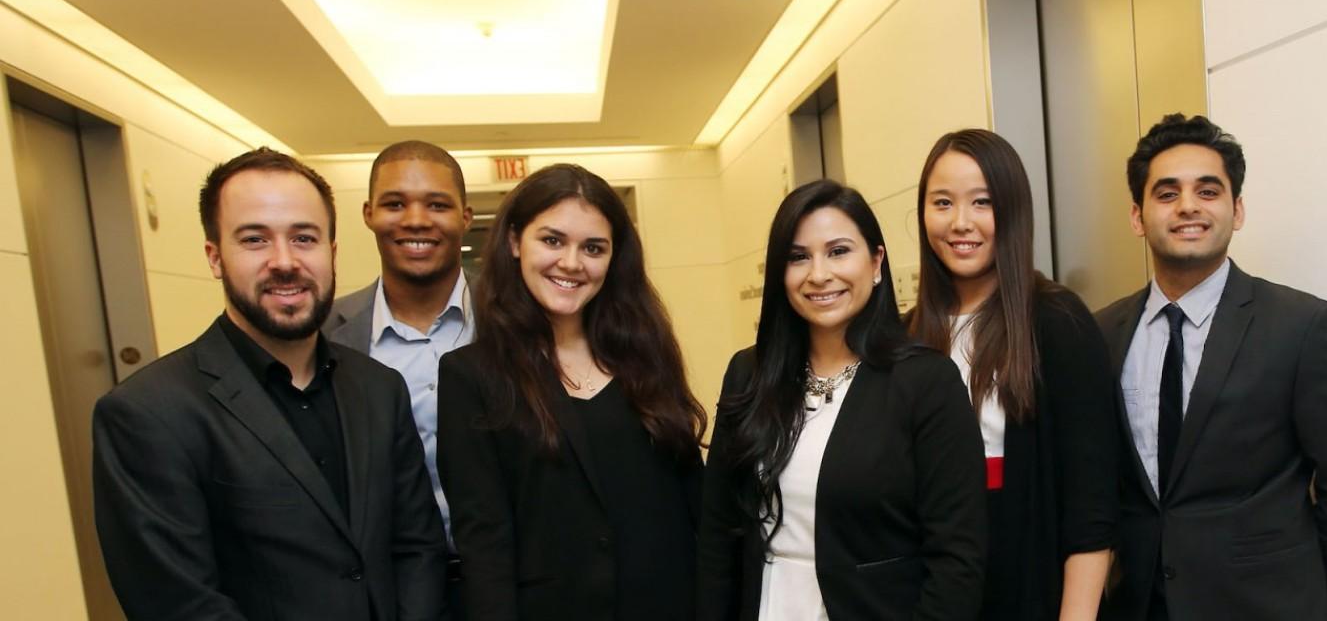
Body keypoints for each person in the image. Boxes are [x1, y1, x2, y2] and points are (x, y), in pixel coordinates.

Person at [92, 148, 445, 621]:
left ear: (331, 253)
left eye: (304, 238)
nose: (285, 262)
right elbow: (177, 602)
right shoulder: (147, 413)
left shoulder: (379, 388)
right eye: (255, 239)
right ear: (215, 257)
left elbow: (416, 547)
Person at [1094, 115, 1327, 621]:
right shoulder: (1101, 334)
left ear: (1237, 211)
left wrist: (1296, 587)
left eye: (1208, 191)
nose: (1188, 206)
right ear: (1137, 217)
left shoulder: (1302, 327)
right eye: (1166, 194)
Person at [697, 179, 987, 621]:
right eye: (798, 257)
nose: (818, 274)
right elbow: (718, 532)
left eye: (838, 251)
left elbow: (958, 558)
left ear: (875, 262)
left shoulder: (925, 382)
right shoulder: (749, 374)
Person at [436, 164, 707, 620]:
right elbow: (485, 544)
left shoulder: (647, 355)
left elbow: (694, 502)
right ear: (513, 242)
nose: (571, 263)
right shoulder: (472, 375)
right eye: (552, 240)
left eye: (593, 248)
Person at [906, 130, 1118, 620]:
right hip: (935, 596)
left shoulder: (1057, 321)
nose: (961, 222)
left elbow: (1092, 503)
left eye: (982, 202)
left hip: (1030, 589)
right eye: (942, 202)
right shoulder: (906, 336)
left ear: (1013, 210)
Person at [322, 140, 473, 605]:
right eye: (394, 203)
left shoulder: (521, 323)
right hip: (386, 592)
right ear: (368, 213)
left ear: (465, 217)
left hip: (514, 585)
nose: (415, 220)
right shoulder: (322, 334)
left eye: (437, 204)